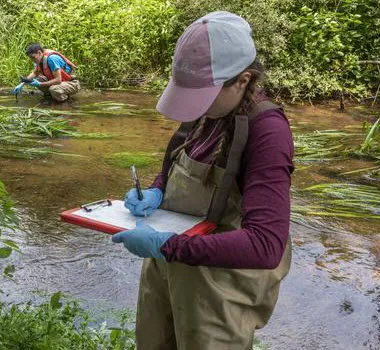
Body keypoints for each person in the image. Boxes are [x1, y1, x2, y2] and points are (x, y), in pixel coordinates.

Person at [111, 12, 294, 350]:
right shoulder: (208, 112)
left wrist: (168, 246)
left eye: (203, 96)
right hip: (169, 266)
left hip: (219, 284)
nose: (195, 106)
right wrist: (156, 190)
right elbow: (177, 163)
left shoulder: (268, 131)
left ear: (243, 80)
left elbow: (266, 245)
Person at [12, 43, 81, 102]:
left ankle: (66, 101)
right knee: (38, 79)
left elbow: (58, 80)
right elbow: (35, 73)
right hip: (60, 82)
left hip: (71, 83)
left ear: (39, 53)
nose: (32, 60)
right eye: (30, 58)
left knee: (54, 89)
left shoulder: (51, 59)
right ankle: (50, 97)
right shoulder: (40, 59)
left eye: (33, 57)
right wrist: (22, 83)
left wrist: (40, 84)